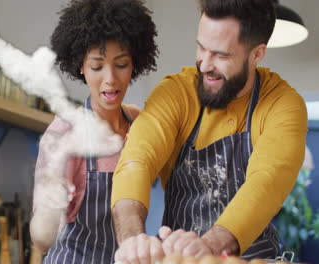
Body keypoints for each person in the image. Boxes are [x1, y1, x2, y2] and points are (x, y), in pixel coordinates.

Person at [112, 0, 308, 262]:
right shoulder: (176, 93)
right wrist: (132, 240)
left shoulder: (282, 105)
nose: (204, 64)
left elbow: (266, 182)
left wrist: (208, 247)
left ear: (257, 54)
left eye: (221, 55)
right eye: (201, 47)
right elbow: (136, 162)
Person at [30, 0, 158, 263]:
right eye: (97, 66)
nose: (110, 79)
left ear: (134, 64)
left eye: (121, 64)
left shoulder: (138, 123)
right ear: (81, 66)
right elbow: (42, 239)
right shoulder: (65, 132)